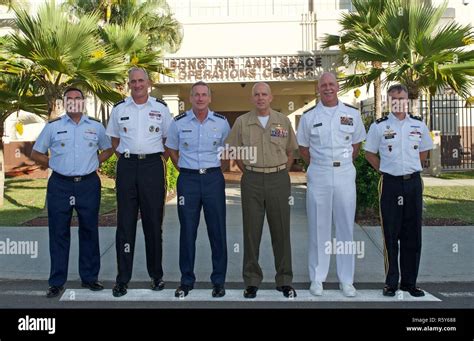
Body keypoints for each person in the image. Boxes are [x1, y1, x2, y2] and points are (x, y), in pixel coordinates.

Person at [31, 87, 113, 298]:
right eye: (70, 99)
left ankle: (90, 278)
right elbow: (36, 152)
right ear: (64, 103)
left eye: (78, 98)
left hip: (88, 184)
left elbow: (108, 148)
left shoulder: (95, 126)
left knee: (89, 231)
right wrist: (53, 163)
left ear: (83, 103)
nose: (74, 102)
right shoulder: (53, 127)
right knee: (58, 233)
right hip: (60, 184)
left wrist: (96, 162)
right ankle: (57, 282)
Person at [226, 82, 298, 299]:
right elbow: (234, 150)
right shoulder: (242, 122)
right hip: (252, 180)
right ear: (252, 98)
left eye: (264, 94)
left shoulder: (283, 121)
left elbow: (291, 150)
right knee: (251, 231)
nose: (260, 97)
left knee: (281, 231)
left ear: (271, 97)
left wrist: (280, 171)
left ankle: (284, 280)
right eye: (256, 94)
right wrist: (248, 170)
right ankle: (251, 281)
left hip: (278, 179)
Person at [297, 72, 366, 297]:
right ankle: (317, 278)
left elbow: (356, 146)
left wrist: (341, 163)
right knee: (319, 227)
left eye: (331, 84)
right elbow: (304, 150)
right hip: (319, 173)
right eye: (323, 85)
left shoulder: (352, 114)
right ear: (318, 89)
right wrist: (321, 165)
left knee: (346, 227)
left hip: (345, 172)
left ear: (338, 87)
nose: (327, 88)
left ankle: (347, 280)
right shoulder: (308, 117)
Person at [106, 67, 173, 297]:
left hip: (153, 168)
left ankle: (156, 276)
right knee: (125, 225)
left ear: (149, 83)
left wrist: (154, 159)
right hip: (127, 167)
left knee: (153, 224)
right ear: (129, 84)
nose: (137, 85)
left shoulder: (161, 109)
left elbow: (168, 139)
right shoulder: (119, 109)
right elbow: (114, 140)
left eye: (141, 81)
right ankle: (122, 279)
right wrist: (129, 157)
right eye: (133, 81)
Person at [365, 84, 433, 297]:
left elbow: (424, 152)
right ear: (388, 101)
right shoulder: (379, 127)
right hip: (391, 184)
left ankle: (410, 283)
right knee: (391, 234)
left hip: (413, 183)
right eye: (394, 98)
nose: (398, 101)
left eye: (401, 98)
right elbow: (369, 153)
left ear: (407, 100)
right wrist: (385, 170)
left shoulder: (419, 125)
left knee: (413, 233)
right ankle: (391, 282)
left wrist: (408, 169)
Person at [165, 81, 230, 298]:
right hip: (188, 181)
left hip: (213, 180)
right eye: (196, 95)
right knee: (187, 231)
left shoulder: (221, 123)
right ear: (190, 98)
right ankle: (186, 280)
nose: (200, 98)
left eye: (204, 95)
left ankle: (218, 281)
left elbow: (226, 151)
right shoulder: (178, 123)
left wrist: (211, 170)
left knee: (217, 231)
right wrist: (184, 169)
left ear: (210, 98)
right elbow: (172, 150)